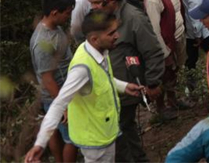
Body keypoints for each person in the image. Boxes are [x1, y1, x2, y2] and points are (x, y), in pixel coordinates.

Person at [25, 11, 144, 163]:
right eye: (112, 33)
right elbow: (59, 104)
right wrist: (40, 144)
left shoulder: (100, 50)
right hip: (95, 143)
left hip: (106, 132)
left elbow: (102, 78)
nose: (117, 36)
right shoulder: (81, 69)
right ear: (95, 39)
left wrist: (124, 86)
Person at [84, 0, 165, 163]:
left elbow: (153, 52)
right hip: (110, 88)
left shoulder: (133, 18)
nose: (92, 8)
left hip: (125, 90)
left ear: (110, 0)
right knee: (125, 132)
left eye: (95, 2)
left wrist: (153, 83)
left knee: (121, 136)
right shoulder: (103, 17)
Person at [29, 0, 77, 163]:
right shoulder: (43, 42)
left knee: (56, 133)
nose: (68, 17)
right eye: (67, 13)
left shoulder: (54, 29)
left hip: (60, 94)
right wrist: (62, 105)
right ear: (54, 12)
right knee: (71, 139)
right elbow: (47, 79)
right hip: (56, 95)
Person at [145, 0, 189, 121]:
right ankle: (161, 108)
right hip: (165, 44)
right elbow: (155, 32)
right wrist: (165, 54)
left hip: (178, 37)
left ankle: (173, 101)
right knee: (164, 75)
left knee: (175, 72)